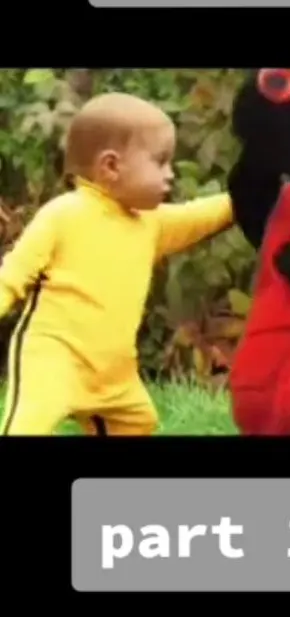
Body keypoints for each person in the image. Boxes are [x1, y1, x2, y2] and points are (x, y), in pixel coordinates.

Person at [0, 92, 234, 436]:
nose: (169, 174)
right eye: (160, 162)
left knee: (137, 423)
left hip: (113, 370)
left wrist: (245, 197)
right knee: (30, 425)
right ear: (111, 166)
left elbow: (198, 216)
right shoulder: (64, 215)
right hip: (55, 356)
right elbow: (13, 275)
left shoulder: (150, 223)